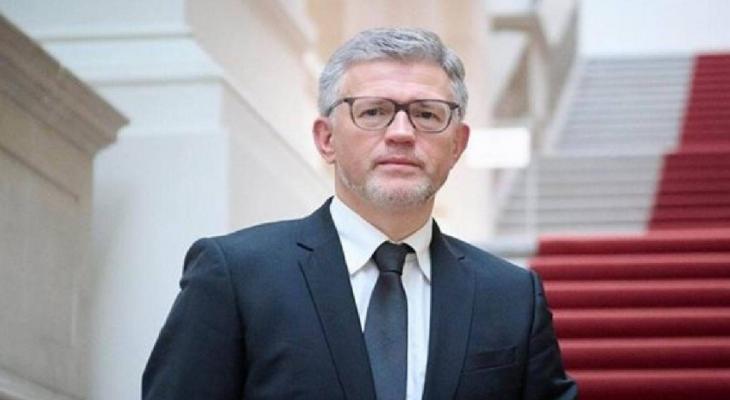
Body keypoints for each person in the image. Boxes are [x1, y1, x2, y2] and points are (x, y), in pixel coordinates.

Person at [142, 27, 578, 400]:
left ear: (457, 145)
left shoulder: (512, 296)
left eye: (427, 114)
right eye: (373, 112)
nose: (402, 133)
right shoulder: (235, 276)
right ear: (326, 138)